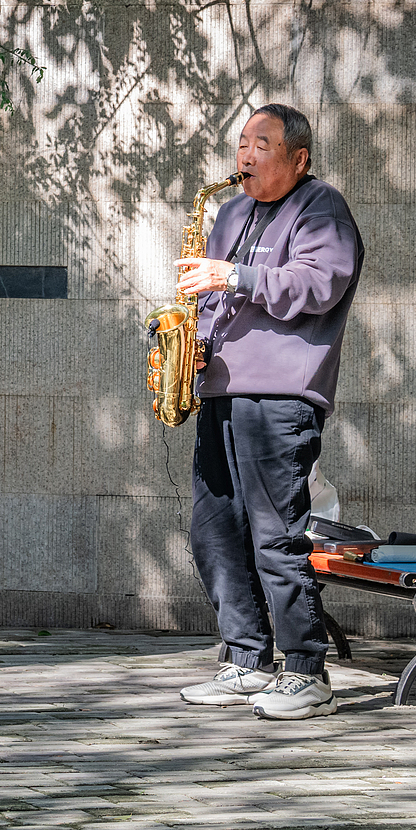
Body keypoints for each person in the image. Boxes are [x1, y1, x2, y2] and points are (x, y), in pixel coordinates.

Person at [174, 103, 363, 721]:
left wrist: (235, 275)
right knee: (215, 530)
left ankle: (307, 672)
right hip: (221, 388)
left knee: (276, 535)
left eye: (262, 144)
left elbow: (318, 285)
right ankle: (246, 660)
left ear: (299, 158)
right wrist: (192, 339)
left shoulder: (321, 207)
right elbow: (214, 291)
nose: (245, 156)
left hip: (282, 394)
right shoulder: (229, 212)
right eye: (241, 143)